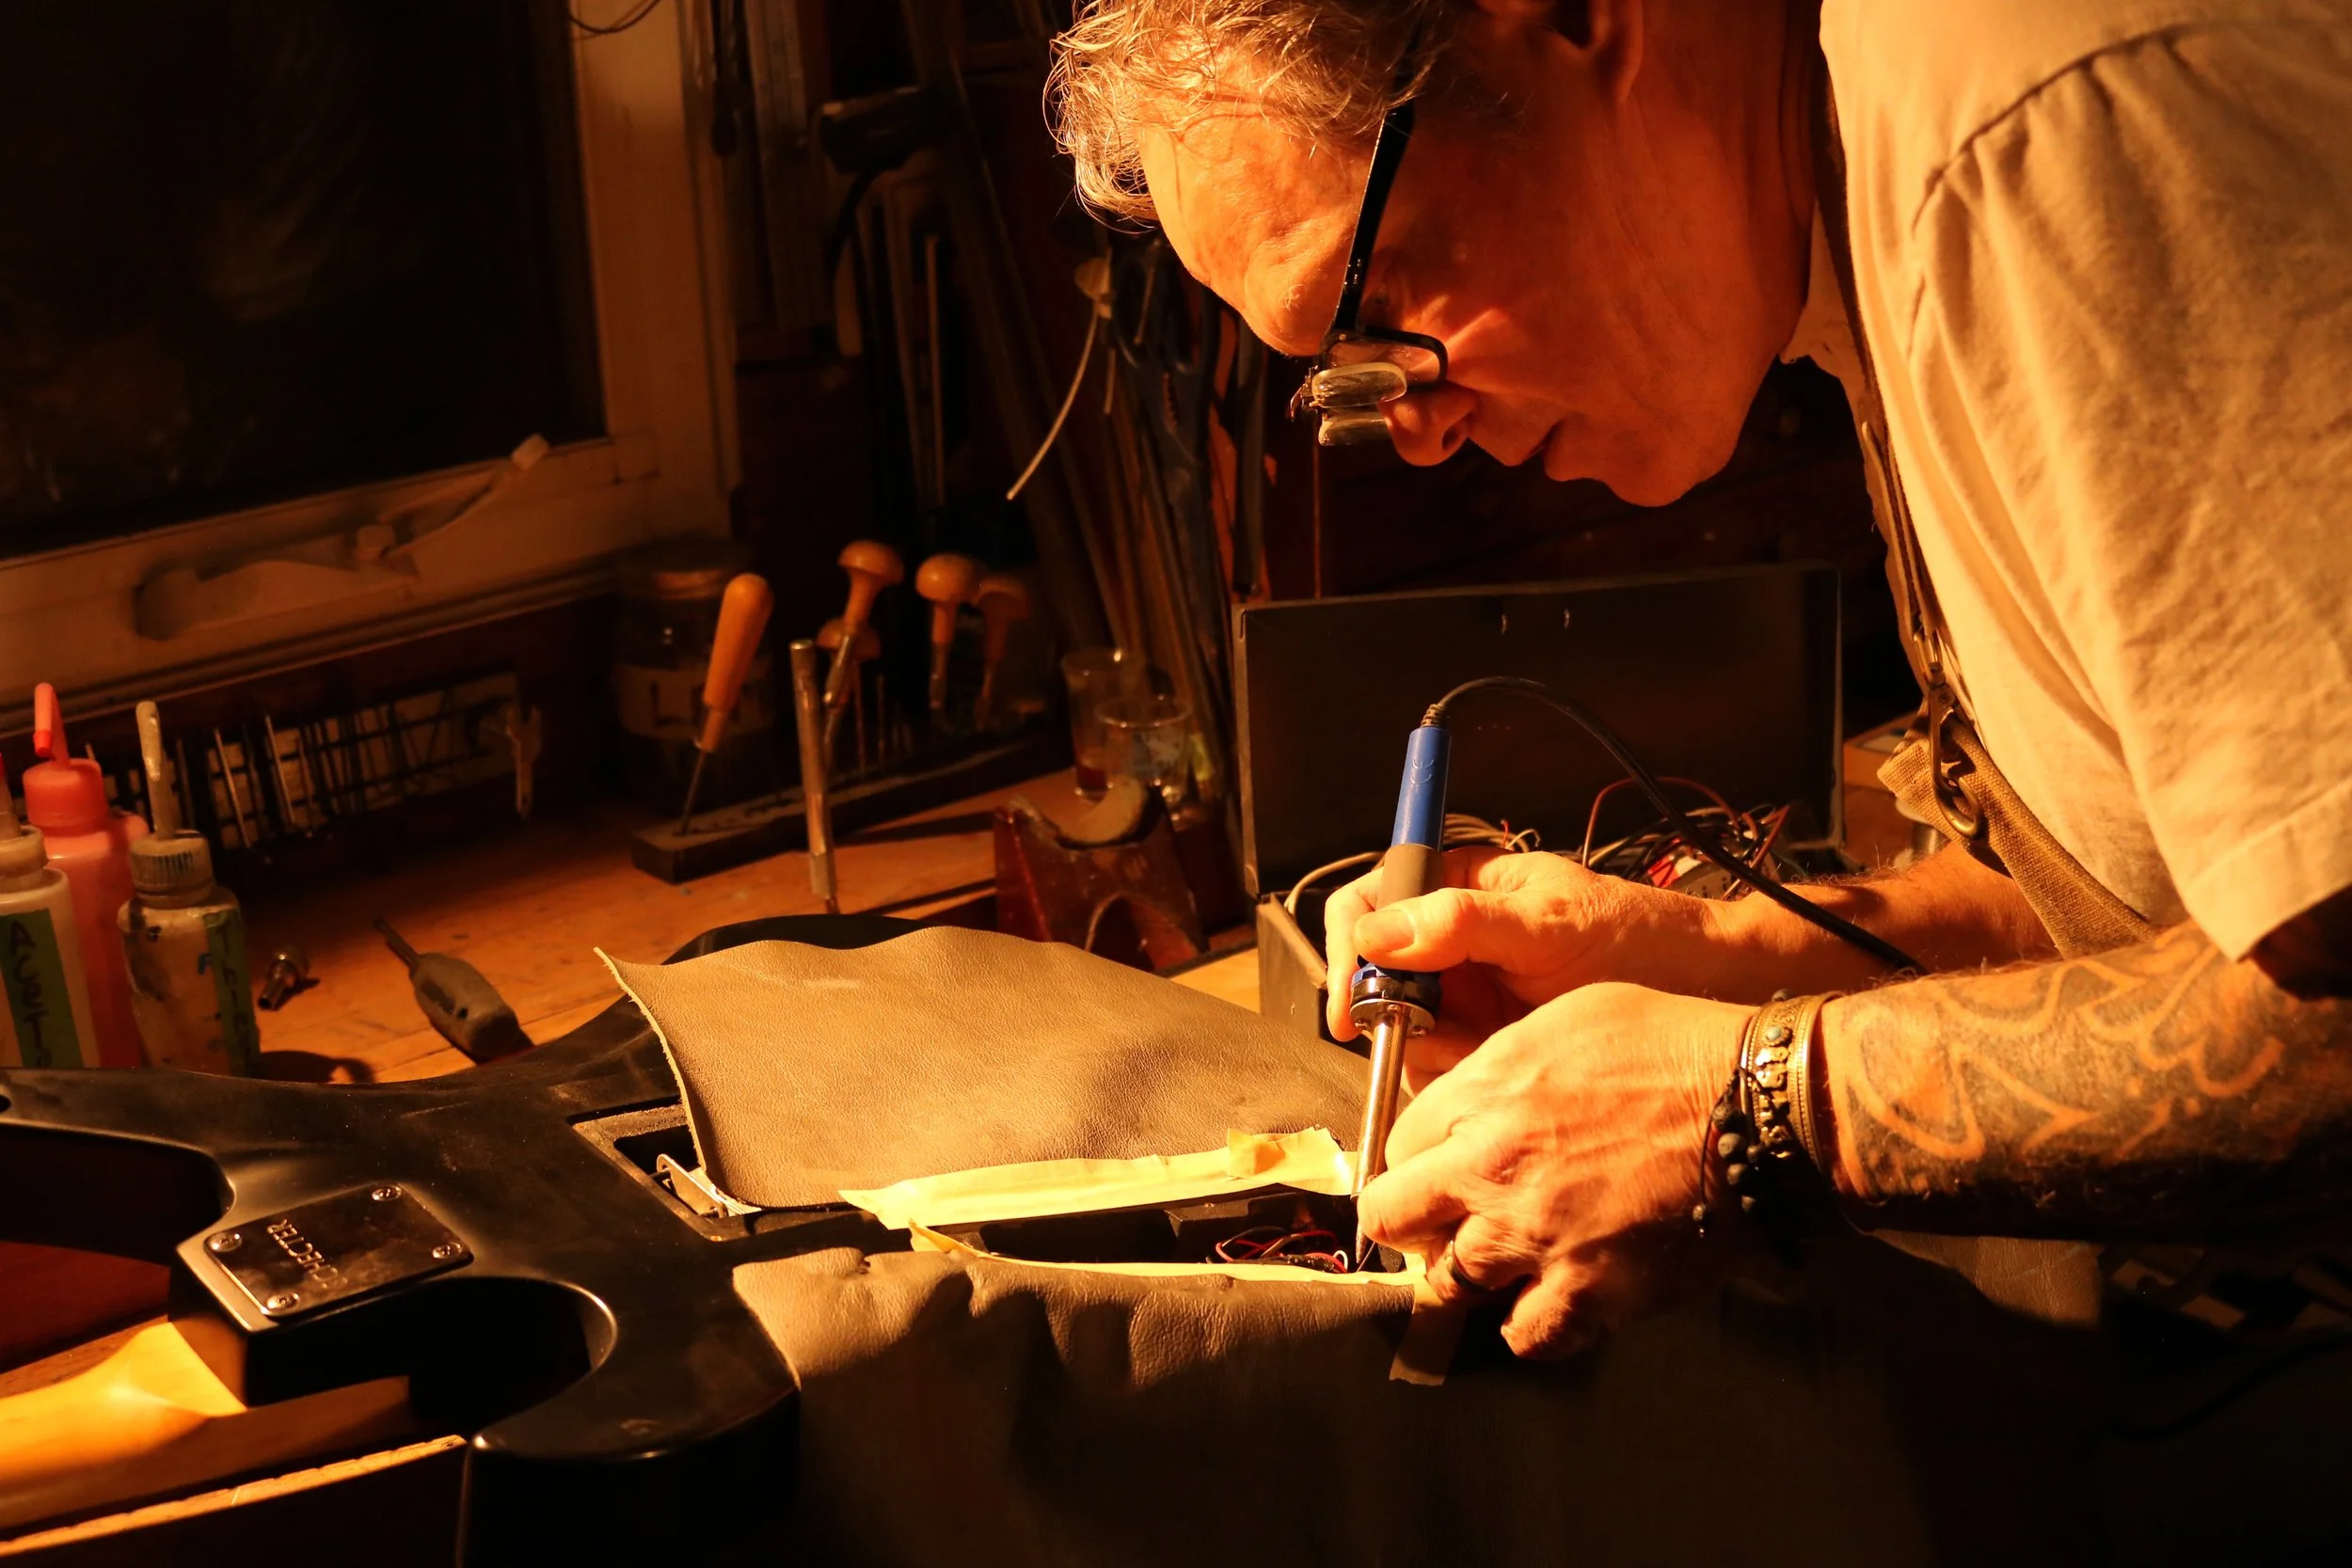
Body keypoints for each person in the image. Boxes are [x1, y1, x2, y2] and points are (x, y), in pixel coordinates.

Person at [1050, 0, 2352, 1357]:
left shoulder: (2029, 127)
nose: (1417, 434)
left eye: (1374, 306)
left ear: (1575, 21)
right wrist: (1722, 959)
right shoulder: (1841, 194)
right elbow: (2141, 893)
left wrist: (1744, 1109)